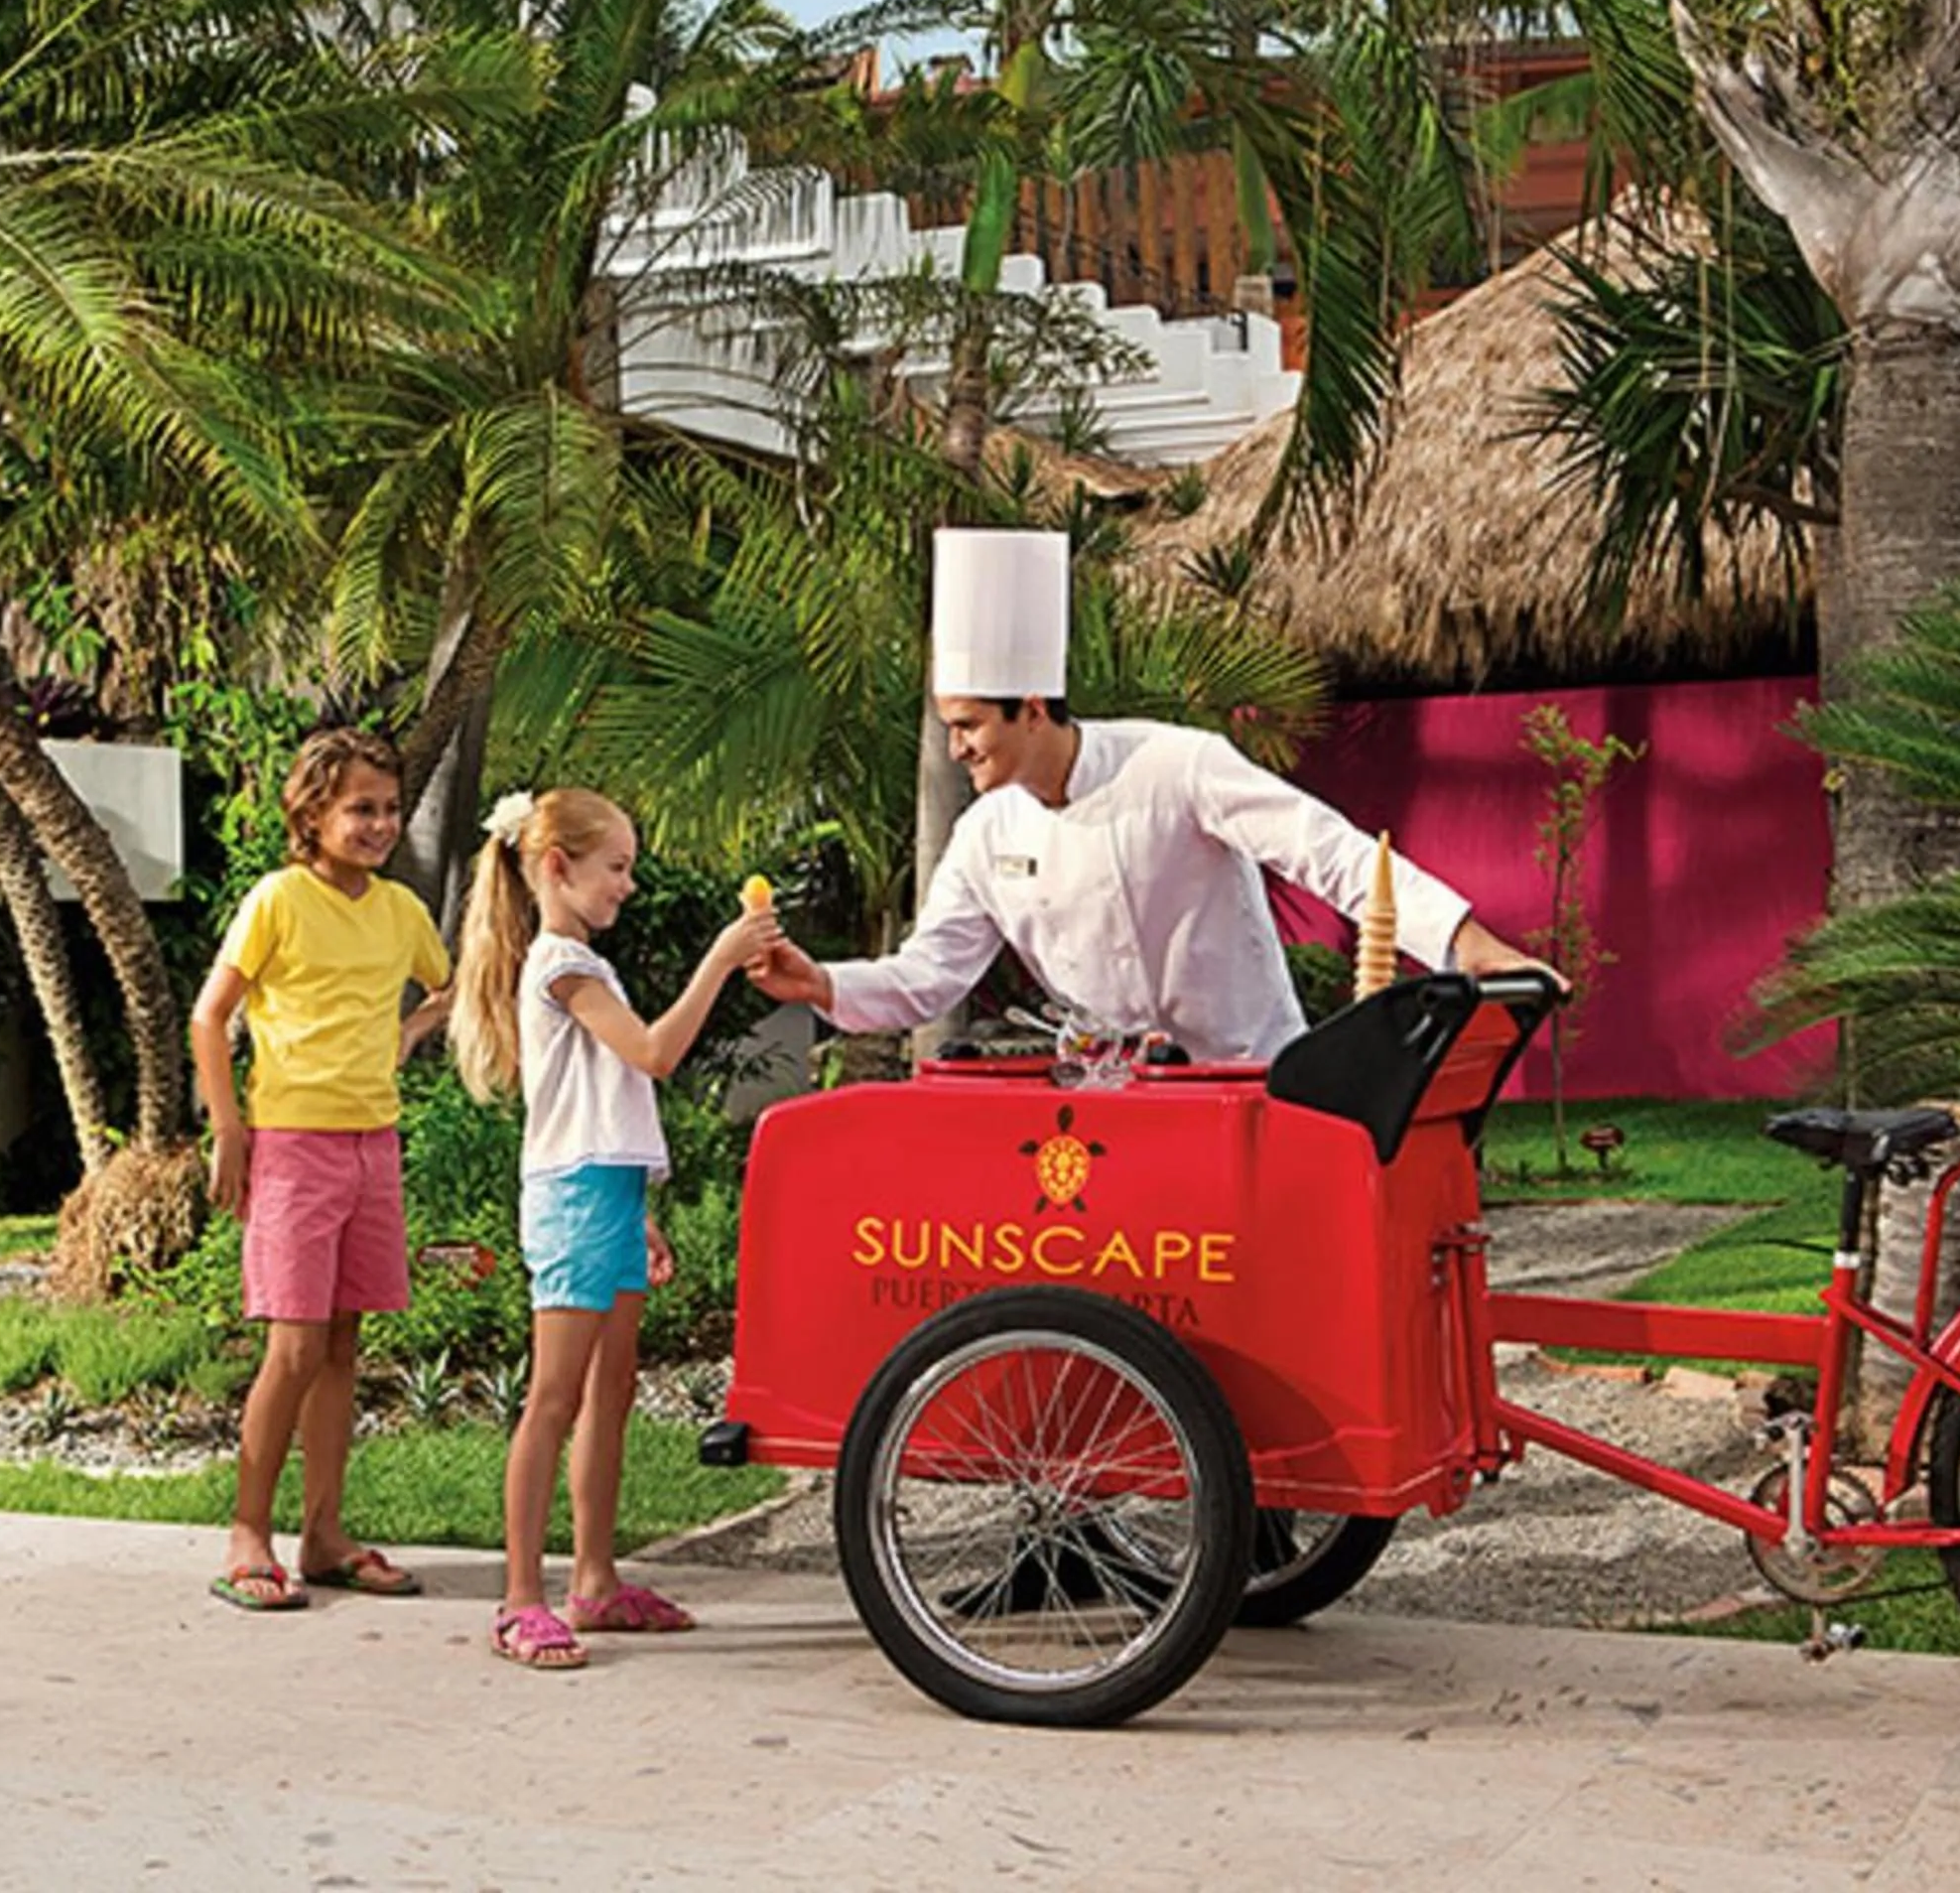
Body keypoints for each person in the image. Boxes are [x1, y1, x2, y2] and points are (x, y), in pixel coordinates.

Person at [748, 529, 1551, 1060]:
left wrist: (1466, 945)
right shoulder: (985, 834)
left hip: (1250, 1079)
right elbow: (930, 973)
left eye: (967, 727)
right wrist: (822, 983)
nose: (955, 749)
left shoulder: (1176, 765)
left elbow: (1328, 852)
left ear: (1031, 708)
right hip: (1113, 1098)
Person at [447, 787, 781, 1670]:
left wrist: (641, 1206)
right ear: (557, 868)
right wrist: (718, 959)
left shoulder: (583, 963)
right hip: (570, 1200)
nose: (629, 885)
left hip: (608, 1194)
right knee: (554, 1400)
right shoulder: (564, 966)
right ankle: (521, 1599)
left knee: (610, 1395)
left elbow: (611, 1098)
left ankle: (593, 1581)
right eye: (617, 867)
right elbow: (654, 1056)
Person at [195, 728, 455, 1612]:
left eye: (388, 808)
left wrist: (410, 1032)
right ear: (311, 813)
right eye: (360, 809)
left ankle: (326, 1536)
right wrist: (230, 1128)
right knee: (295, 1345)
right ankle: (247, 1533)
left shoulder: (400, 912)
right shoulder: (277, 899)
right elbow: (209, 1017)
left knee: (344, 1345)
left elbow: (450, 987)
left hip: (371, 1145)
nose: (379, 824)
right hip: (293, 1147)